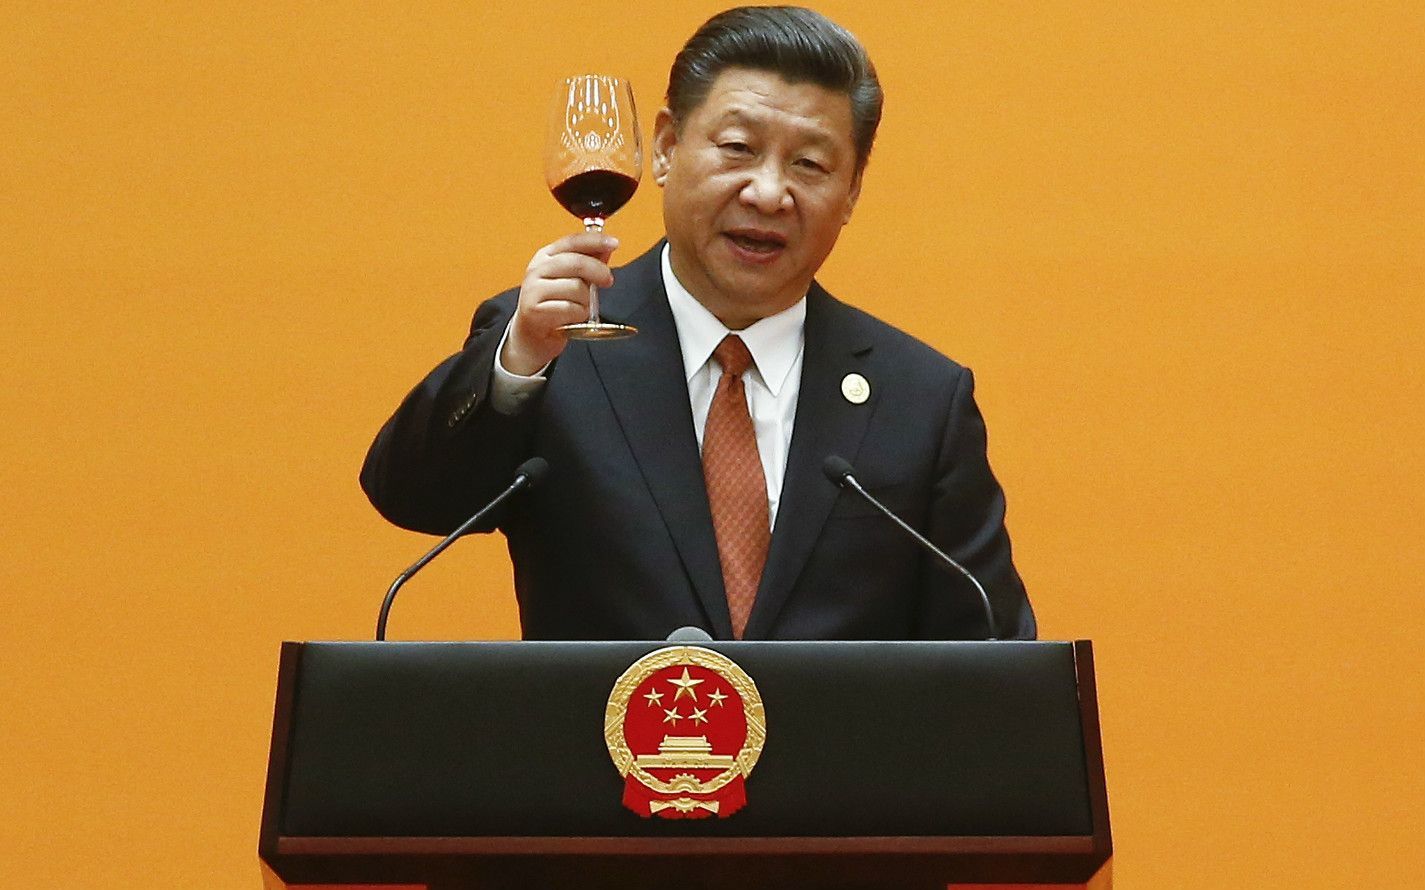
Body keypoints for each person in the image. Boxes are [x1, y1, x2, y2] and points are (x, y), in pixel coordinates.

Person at [361, 6, 1036, 641]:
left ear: (852, 190)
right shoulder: (551, 347)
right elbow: (413, 498)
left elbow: (994, 655)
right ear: (664, 147)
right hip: (600, 733)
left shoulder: (920, 400)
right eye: (738, 147)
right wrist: (517, 365)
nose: (768, 193)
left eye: (809, 164)